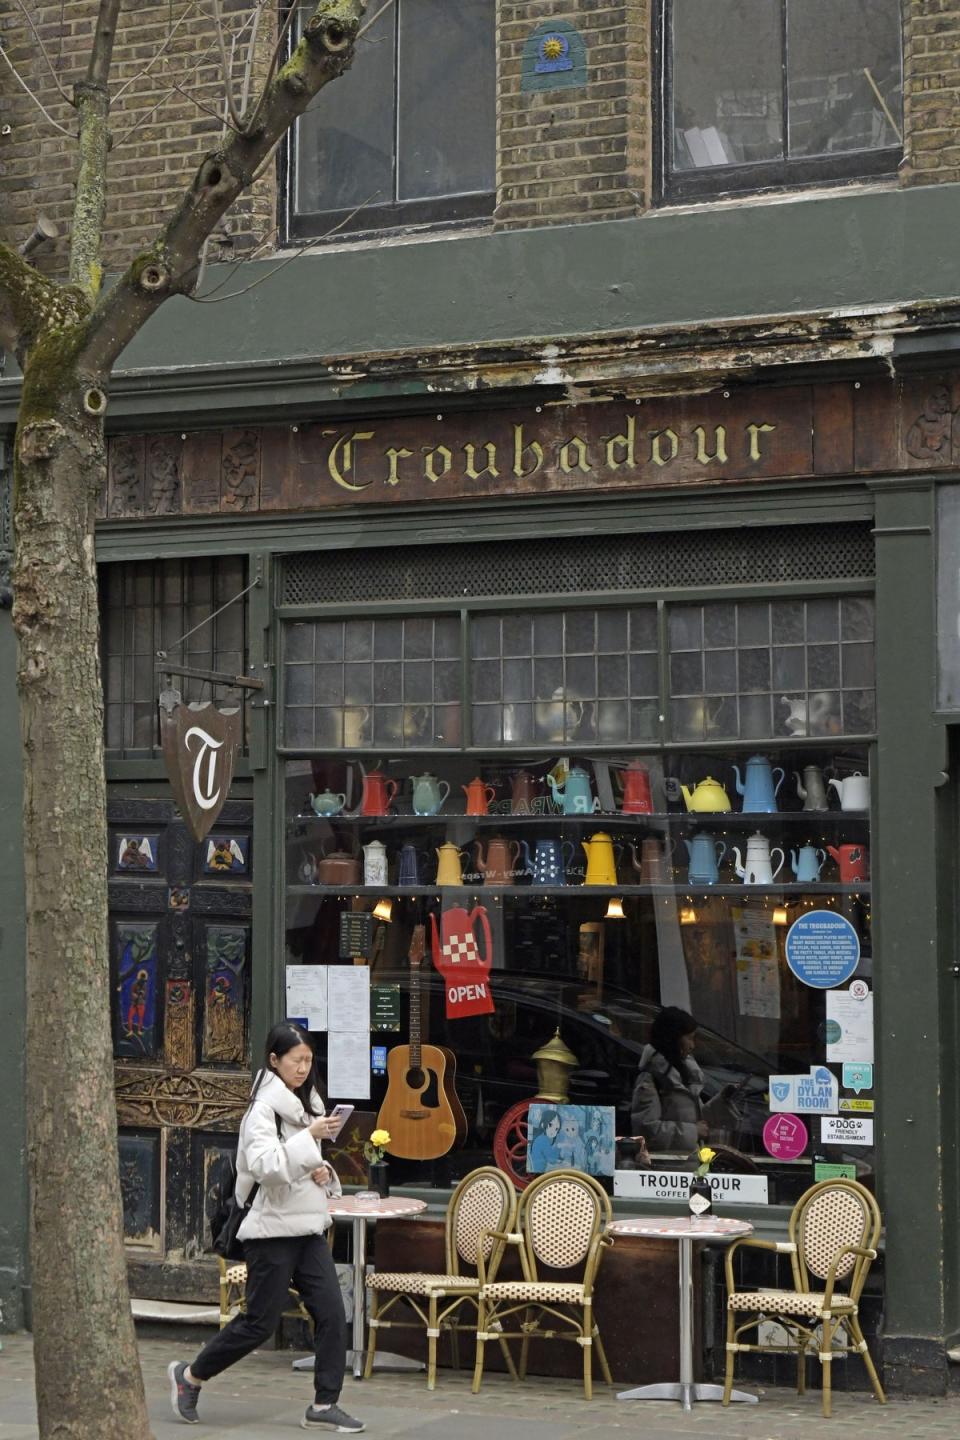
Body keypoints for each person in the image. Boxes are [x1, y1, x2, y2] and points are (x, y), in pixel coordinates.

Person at [168, 1021, 363, 1433]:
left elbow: (303, 1164)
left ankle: (324, 1404)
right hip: (269, 1231)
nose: (304, 1068)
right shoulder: (262, 1111)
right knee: (259, 1322)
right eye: (296, 1060)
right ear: (274, 1061)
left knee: (331, 1311)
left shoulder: (306, 1103)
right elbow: (265, 1168)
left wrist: (324, 1172)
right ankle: (190, 1377)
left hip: (308, 1227)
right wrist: (308, 1138)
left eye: (309, 1060)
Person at [630, 1006, 740, 1161]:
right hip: (666, 1169)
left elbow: (698, 1120)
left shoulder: (684, 1074)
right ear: (673, 1038)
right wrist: (693, 1131)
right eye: (689, 1038)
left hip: (689, 1165)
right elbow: (647, 1131)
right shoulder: (651, 1078)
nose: (692, 1045)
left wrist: (722, 1101)